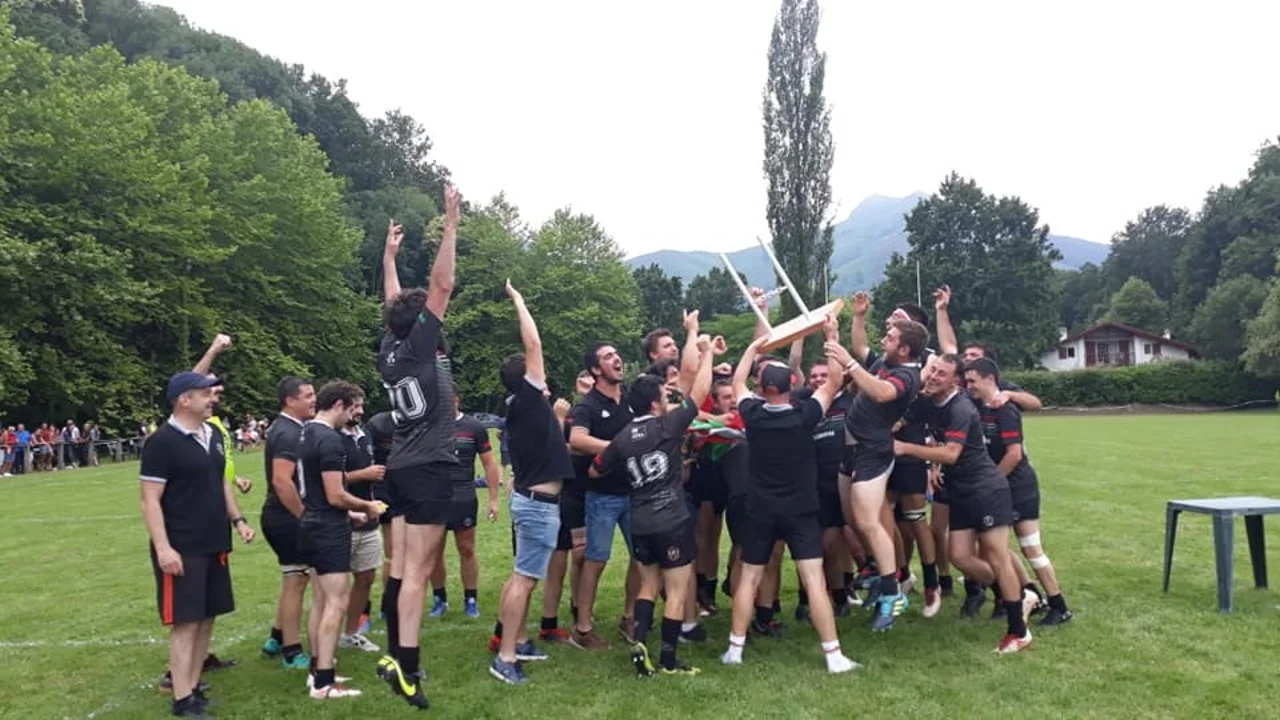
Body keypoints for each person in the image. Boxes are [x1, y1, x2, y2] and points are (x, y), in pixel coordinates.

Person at [722, 319, 859, 674]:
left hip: (760, 509)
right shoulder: (805, 415)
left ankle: (735, 650)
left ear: (761, 388)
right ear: (793, 385)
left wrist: (754, 348)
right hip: (801, 510)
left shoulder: (752, 414)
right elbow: (835, 382)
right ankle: (833, 656)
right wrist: (832, 337)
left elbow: (737, 382)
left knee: (749, 578)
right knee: (814, 580)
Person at [377, 185, 461, 710]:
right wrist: (450, 226)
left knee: (401, 566)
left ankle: (393, 653)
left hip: (401, 466)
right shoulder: (418, 348)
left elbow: (396, 304)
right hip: (430, 466)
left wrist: (389, 259)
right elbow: (442, 284)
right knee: (417, 572)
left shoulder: (390, 348)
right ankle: (407, 669)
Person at [893, 354, 1035, 653]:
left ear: (955, 381)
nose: (933, 377)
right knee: (959, 556)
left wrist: (905, 447)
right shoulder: (928, 402)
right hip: (960, 491)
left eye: (941, 374)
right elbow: (899, 421)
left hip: (986, 489)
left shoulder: (960, 408)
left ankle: (1018, 631)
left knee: (997, 556)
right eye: (933, 371)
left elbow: (951, 454)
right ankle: (1015, 596)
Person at [594, 332, 715, 676]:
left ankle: (640, 642)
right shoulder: (667, 425)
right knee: (676, 592)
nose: (667, 399)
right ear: (653, 403)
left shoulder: (621, 438)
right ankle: (669, 660)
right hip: (671, 519)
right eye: (663, 395)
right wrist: (707, 354)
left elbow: (596, 468)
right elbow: (699, 392)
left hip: (640, 521)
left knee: (648, 585)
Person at [140, 372, 254, 718]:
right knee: (186, 621)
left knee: (207, 616)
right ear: (184, 399)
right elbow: (149, 499)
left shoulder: (213, 434)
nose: (212, 398)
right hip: (182, 544)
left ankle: (193, 686)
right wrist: (164, 548)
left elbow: (220, 483)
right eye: (205, 393)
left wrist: (238, 520)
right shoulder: (162, 442)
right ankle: (182, 698)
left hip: (214, 540)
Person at [827, 295, 930, 632]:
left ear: (905, 349)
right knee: (852, 518)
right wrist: (857, 318)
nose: (885, 338)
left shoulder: (907, 375)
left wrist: (850, 365)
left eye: (891, 337)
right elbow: (860, 348)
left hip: (872, 452)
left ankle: (892, 590)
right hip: (852, 449)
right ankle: (876, 569)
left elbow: (884, 392)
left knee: (869, 522)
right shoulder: (886, 360)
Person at [490, 280, 574, 684]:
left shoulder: (526, 410)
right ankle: (506, 657)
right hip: (538, 507)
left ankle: (518, 641)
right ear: (526, 379)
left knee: (520, 576)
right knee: (524, 580)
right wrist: (519, 301)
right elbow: (534, 345)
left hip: (535, 503)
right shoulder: (526, 402)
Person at [965, 357, 1072, 626]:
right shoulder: (979, 407)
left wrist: (991, 482)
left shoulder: (1006, 410)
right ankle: (1030, 595)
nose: (968, 386)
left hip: (1018, 487)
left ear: (990, 379)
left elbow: (1014, 455)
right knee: (994, 545)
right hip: (1000, 487)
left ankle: (1059, 606)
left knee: (1030, 548)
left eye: (972, 381)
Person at [296, 381, 384, 699]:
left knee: (320, 602)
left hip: (310, 522)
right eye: (350, 409)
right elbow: (335, 494)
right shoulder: (330, 439)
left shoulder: (305, 432)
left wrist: (351, 514)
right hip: (327, 529)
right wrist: (367, 506)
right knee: (337, 602)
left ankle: (317, 670)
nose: (352, 416)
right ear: (338, 405)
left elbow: (317, 489)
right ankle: (324, 682)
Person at [568, 340, 636, 649]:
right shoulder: (588, 406)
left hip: (635, 492)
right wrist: (617, 448)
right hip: (602, 496)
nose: (617, 359)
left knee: (641, 556)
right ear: (596, 370)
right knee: (596, 560)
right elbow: (577, 439)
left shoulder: (631, 399)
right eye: (608, 357)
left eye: (616, 354)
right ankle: (583, 628)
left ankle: (630, 617)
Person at [259, 377, 317, 670]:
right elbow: (282, 481)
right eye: (308, 396)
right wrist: (303, 516)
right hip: (285, 517)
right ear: (290, 401)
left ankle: (277, 636)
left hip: (281, 516)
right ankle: (292, 652)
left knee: (294, 578)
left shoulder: (290, 428)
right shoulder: (287, 432)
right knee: (297, 580)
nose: (314, 400)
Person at [429, 392, 502, 619]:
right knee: (434, 551)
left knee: (467, 548)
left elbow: (489, 464)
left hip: (463, 495)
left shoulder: (473, 427)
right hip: (435, 497)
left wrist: (493, 499)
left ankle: (471, 599)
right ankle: (439, 598)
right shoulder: (428, 427)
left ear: (456, 399)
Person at [338, 407, 388, 652]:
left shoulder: (365, 434)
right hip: (339, 520)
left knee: (366, 577)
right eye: (354, 406)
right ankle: (325, 641)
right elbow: (326, 479)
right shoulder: (330, 436)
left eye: (361, 405)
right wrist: (363, 474)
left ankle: (351, 633)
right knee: (335, 584)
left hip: (368, 517)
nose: (360, 410)